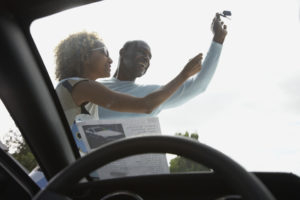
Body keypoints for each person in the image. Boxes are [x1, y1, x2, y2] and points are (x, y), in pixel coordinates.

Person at [55, 31, 203, 127]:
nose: (111, 60)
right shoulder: (82, 86)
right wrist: (184, 75)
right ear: (85, 57)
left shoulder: (76, 87)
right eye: (105, 53)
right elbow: (146, 105)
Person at [98, 13, 228, 119]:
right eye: (141, 52)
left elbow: (198, 86)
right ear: (123, 52)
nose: (146, 58)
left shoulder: (155, 94)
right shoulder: (95, 86)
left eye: (149, 57)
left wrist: (218, 41)